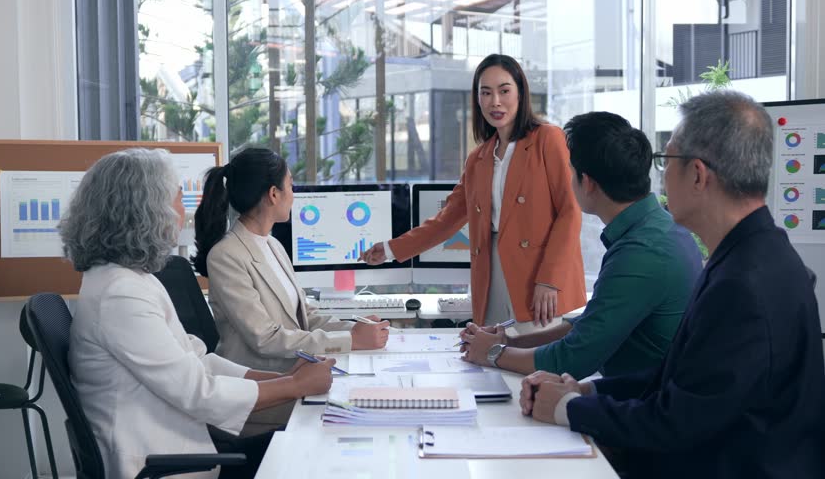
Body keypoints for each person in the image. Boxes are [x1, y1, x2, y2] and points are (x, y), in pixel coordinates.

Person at [522, 91, 825, 478]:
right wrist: (588, 392)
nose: (658, 176)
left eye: (666, 161)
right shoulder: (751, 255)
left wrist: (566, 409)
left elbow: (678, 421)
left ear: (698, 174)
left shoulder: (745, 285)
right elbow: (684, 379)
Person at [60, 148, 336, 479]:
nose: (182, 209)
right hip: (160, 462)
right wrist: (293, 386)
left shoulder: (129, 280)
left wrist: (288, 380)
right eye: (176, 197)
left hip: (178, 444)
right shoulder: (120, 295)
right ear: (147, 210)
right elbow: (199, 392)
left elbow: (198, 359)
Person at [459, 112, 702, 379]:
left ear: (586, 183)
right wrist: (510, 341)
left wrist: (492, 354)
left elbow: (572, 359)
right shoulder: (656, 229)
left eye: (570, 172)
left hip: (640, 403)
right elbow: (591, 325)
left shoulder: (642, 254)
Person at [360, 53, 586, 330]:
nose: (495, 102)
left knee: (533, 364)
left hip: (537, 274)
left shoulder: (548, 140)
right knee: (491, 360)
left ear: (521, 93)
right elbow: (447, 220)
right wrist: (391, 249)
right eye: (486, 93)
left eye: (504, 91)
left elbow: (570, 212)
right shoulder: (479, 157)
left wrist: (549, 280)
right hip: (489, 273)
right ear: (477, 99)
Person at [192, 147, 389, 374]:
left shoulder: (273, 245)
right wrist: (351, 340)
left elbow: (306, 317)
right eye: (291, 186)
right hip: (261, 383)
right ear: (274, 194)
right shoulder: (226, 255)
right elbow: (265, 338)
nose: (294, 194)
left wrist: (357, 329)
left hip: (295, 373)